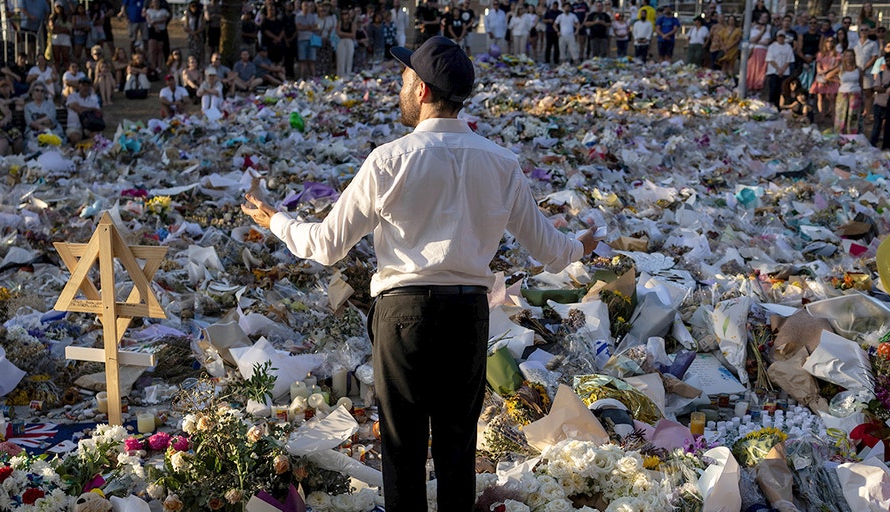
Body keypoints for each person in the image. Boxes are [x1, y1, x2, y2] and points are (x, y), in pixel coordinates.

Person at [241, 36, 595, 512]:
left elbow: (325, 246)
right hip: (468, 315)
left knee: (402, 449)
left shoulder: (389, 160)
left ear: (423, 90)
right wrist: (582, 246)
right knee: (457, 449)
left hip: (403, 315)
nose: (400, 87)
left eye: (405, 79)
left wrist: (276, 220)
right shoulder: (502, 163)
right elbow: (551, 251)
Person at [871, 50, 890, 147]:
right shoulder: (881, 73)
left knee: (889, 128)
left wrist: (884, 88)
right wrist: (888, 89)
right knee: (876, 127)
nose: (889, 62)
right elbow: (876, 88)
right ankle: (872, 146)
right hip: (879, 103)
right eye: (887, 61)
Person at [66, 77, 102, 143]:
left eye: (87, 85)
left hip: (90, 127)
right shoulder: (72, 96)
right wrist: (92, 109)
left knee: (96, 137)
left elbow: (99, 113)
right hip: (74, 126)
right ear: (79, 86)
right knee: (75, 138)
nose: (85, 88)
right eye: (83, 85)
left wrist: (89, 110)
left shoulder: (93, 100)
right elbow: (78, 109)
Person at [834, 48, 862, 134]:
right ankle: (839, 134)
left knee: (853, 116)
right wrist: (838, 81)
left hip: (855, 92)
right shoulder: (841, 68)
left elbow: (861, 82)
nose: (849, 58)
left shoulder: (858, 69)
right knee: (840, 115)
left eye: (851, 56)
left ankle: (852, 135)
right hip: (843, 93)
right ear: (844, 57)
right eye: (847, 56)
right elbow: (828, 76)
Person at [765, 31, 794, 106]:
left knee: (782, 90)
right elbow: (770, 59)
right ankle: (771, 105)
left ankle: (780, 106)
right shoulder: (772, 46)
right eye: (779, 36)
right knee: (773, 90)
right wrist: (778, 69)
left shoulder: (788, 47)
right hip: (773, 71)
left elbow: (789, 59)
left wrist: (782, 70)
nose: (781, 38)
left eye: (782, 37)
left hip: (785, 72)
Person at [746, 12, 772, 92]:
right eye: (763, 17)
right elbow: (752, 40)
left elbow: (766, 42)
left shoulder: (768, 29)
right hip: (754, 51)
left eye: (766, 17)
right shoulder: (754, 29)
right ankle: (750, 87)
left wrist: (757, 41)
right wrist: (761, 33)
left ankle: (758, 88)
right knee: (751, 70)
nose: (764, 19)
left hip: (763, 52)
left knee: (760, 71)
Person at [144, 0, 169, 75]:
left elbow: (164, 19)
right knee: (152, 49)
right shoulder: (149, 11)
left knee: (159, 49)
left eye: (157, 2)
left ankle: (159, 67)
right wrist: (155, 26)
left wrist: (154, 21)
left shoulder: (164, 11)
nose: (156, 3)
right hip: (152, 31)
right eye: (154, 2)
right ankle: (153, 66)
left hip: (162, 31)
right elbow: (149, 21)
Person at [49, 2, 72, 71]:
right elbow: (53, 29)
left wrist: (59, 29)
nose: (58, 9)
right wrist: (63, 29)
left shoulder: (66, 17)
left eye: (59, 7)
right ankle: (57, 73)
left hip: (65, 38)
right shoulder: (52, 17)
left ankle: (67, 72)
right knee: (56, 58)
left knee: (66, 58)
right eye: (57, 7)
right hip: (55, 38)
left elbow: (68, 30)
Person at [336, 9, 357, 77]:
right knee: (341, 59)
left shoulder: (352, 24)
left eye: (346, 14)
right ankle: (340, 75)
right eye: (343, 14)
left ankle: (348, 74)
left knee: (349, 58)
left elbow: (353, 35)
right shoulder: (339, 23)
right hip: (341, 41)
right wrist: (348, 34)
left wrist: (343, 34)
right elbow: (338, 33)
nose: (345, 15)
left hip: (350, 41)